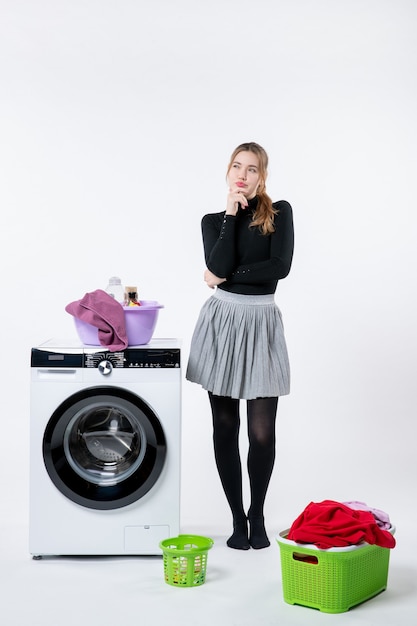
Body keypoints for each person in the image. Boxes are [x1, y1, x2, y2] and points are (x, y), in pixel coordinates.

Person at [186, 142, 294, 550]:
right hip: (223, 323)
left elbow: (279, 268)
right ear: (228, 172)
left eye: (251, 169)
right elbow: (216, 267)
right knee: (225, 426)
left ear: (262, 177)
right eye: (236, 167)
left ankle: (257, 513)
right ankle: (236, 517)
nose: (243, 175)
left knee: (262, 433)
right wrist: (231, 215)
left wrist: (229, 275)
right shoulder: (214, 220)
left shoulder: (279, 213)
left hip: (262, 323)